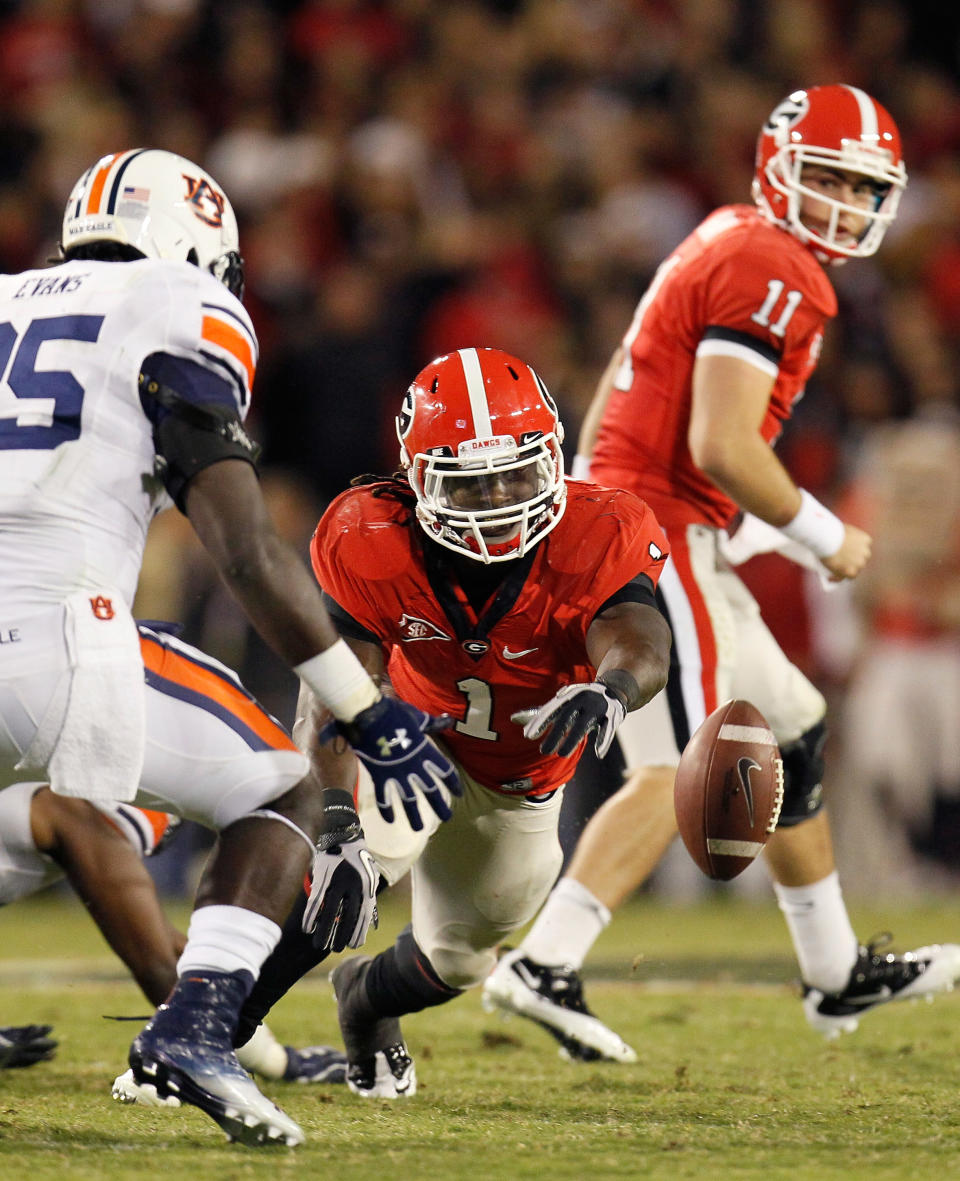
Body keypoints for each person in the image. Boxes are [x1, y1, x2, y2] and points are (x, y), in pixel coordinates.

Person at [482, 84, 960, 1060]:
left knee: (797, 728)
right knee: (673, 769)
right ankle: (543, 963)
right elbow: (723, 439)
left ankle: (834, 972)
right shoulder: (774, 262)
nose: (841, 198)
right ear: (779, 164)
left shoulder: (731, 236)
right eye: (825, 173)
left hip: (655, 516)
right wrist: (824, 533)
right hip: (660, 527)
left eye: (861, 184)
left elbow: (626, 379)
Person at [0, 148, 461, 1146]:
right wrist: (365, 705)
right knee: (283, 786)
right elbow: (243, 546)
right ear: (199, 240)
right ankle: (195, 1030)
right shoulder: (176, 301)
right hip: (46, 637)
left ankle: (212, 1035)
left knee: (59, 826)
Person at [218, 345, 673, 1097]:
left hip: (520, 779)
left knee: (462, 959)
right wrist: (336, 820)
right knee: (325, 877)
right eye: (471, 482)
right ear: (418, 480)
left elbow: (637, 635)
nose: (498, 498)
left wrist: (614, 688)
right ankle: (205, 1031)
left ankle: (364, 1003)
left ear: (553, 459)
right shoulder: (370, 534)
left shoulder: (602, 527)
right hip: (404, 744)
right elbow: (335, 689)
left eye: (516, 473)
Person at [0, 779, 347, 1085]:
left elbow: (175, 953)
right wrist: (274, 1060)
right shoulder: (71, 815)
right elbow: (161, 964)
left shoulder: (41, 800)